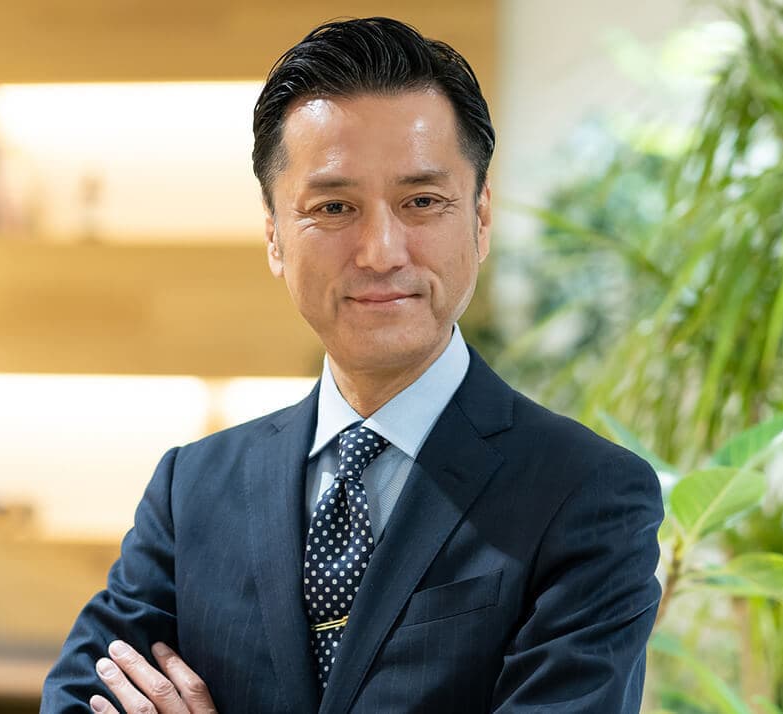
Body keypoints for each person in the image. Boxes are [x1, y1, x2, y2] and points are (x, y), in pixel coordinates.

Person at [41, 17, 662, 714]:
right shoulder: (193, 489)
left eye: (421, 201)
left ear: (480, 218)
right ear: (274, 236)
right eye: (334, 207)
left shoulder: (587, 495)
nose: (381, 251)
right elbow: (77, 698)